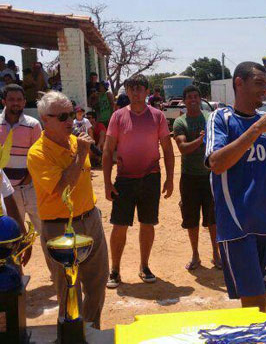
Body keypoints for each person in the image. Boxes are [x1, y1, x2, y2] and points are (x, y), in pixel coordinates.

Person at [205, 61, 266, 312]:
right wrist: (258, 128)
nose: (265, 90)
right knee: (252, 303)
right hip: (237, 225)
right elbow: (217, 163)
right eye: (259, 83)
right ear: (239, 83)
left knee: (260, 300)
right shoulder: (221, 118)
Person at [27, 91, 109, 329]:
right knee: (68, 291)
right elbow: (63, 186)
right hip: (60, 229)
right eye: (62, 116)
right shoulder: (38, 153)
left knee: (97, 283)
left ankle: (91, 331)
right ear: (45, 119)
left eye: (71, 114)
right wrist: (82, 153)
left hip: (90, 218)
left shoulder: (75, 141)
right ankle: (71, 335)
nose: (69, 121)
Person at [103, 74, 174, 288]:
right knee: (119, 225)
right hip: (124, 179)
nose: (135, 92)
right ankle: (115, 269)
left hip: (151, 177)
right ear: (127, 91)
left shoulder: (158, 116)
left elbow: (168, 150)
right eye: (131, 88)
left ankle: (144, 266)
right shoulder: (117, 116)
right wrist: (107, 182)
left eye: (139, 88)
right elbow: (107, 150)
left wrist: (170, 179)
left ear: (146, 91)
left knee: (147, 223)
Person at [173, 85, 221, 271]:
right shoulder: (180, 122)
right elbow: (183, 148)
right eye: (189, 97)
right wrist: (201, 140)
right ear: (184, 101)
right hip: (189, 177)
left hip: (211, 176)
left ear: (201, 99)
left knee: (213, 219)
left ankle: (216, 254)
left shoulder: (210, 119)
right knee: (191, 218)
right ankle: (195, 255)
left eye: (196, 96)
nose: (193, 100)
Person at [0, 85, 42, 234]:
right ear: (4, 101)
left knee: (45, 232)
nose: (15, 103)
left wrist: (28, 178)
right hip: (6, 192)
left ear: (24, 102)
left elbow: (38, 156)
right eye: (11, 99)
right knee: (12, 234)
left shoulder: (33, 125)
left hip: (30, 187)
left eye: (19, 99)